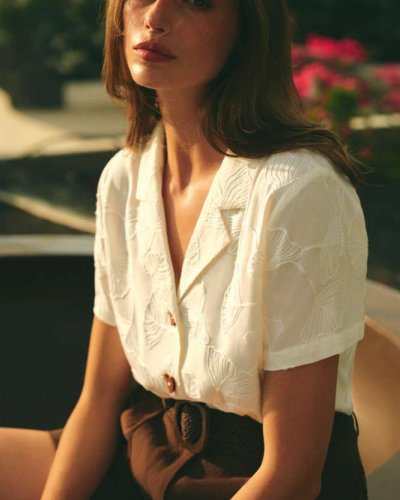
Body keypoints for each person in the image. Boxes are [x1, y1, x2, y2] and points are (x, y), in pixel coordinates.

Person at [0, 1, 370, 499]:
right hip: (145, 447)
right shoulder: (125, 178)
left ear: (247, 28)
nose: (155, 16)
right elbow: (99, 401)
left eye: (196, 0)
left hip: (250, 478)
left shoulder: (298, 189)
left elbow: (293, 476)